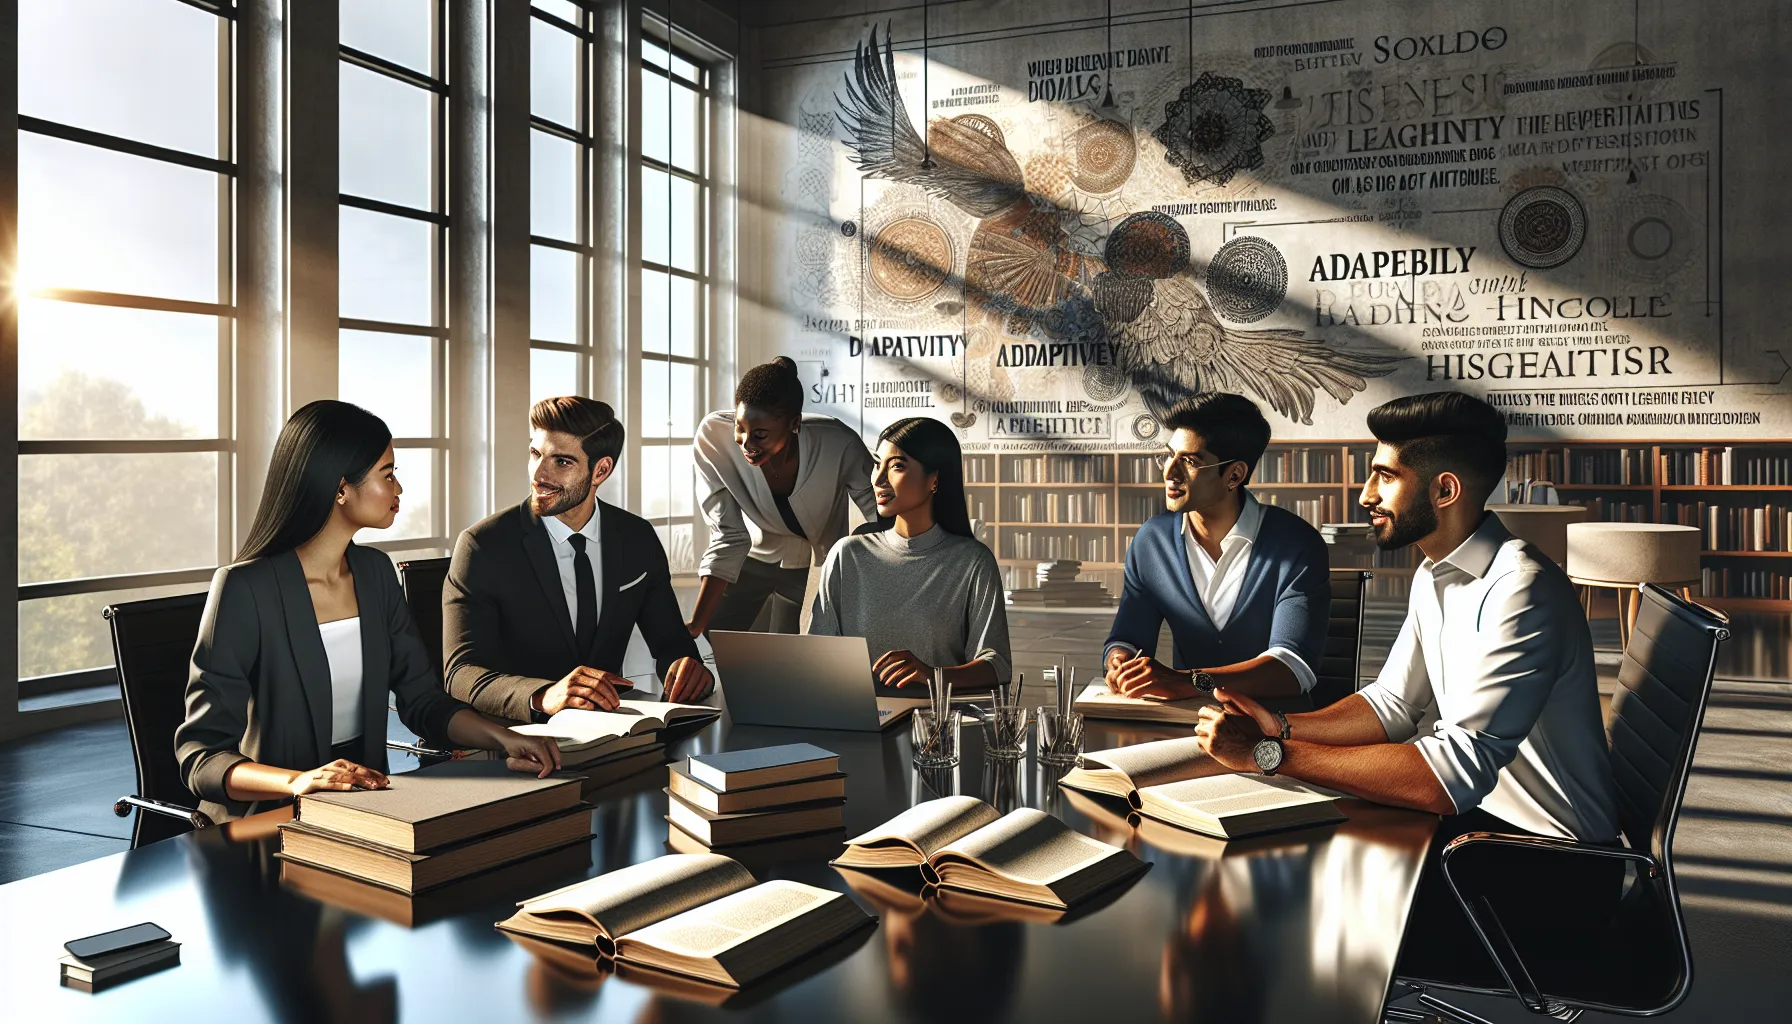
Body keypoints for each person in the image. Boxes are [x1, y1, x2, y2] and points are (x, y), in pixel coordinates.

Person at [1193, 391, 1621, 972]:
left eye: (1383, 478)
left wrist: (1269, 753)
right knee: (1285, 856)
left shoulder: (1521, 589)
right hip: (1483, 832)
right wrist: (1281, 724)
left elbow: (1452, 776)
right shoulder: (1435, 572)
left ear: (1444, 491)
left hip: (1554, 871)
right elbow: (1391, 705)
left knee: (1291, 903)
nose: (1365, 496)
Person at [175, 401, 561, 823]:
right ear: (341, 488)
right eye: (388, 473)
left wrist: (505, 739)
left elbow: (423, 702)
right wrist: (298, 781)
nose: (398, 489)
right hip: (265, 821)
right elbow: (202, 756)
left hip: (364, 811)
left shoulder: (375, 573)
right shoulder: (245, 588)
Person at [443, 397, 711, 721]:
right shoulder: (482, 547)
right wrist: (543, 695)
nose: (540, 474)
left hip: (612, 737)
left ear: (601, 470)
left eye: (562, 462)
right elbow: (460, 672)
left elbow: (672, 644)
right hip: (515, 741)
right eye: (535, 454)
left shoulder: (637, 538)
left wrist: (688, 670)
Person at [1103, 392, 1331, 704]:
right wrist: (1120, 660)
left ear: (1234, 475)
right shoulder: (1151, 542)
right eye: (1168, 456)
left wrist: (1188, 682)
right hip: (1184, 727)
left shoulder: (1295, 543)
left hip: (1273, 733)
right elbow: (1129, 637)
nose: (1169, 472)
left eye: (1189, 461)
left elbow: (1293, 667)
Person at [809, 417, 1010, 692]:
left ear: (935, 479)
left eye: (897, 467)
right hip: (857, 721)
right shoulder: (847, 555)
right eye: (877, 464)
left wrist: (933, 675)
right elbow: (815, 655)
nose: (878, 479)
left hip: (936, 725)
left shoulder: (973, 562)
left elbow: (997, 664)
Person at [687, 357, 877, 636]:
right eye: (740, 428)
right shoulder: (714, 437)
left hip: (814, 568)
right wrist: (696, 623)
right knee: (717, 636)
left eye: (761, 435)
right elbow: (727, 534)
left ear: (795, 424)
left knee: (800, 653)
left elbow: (882, 516)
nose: (747, 444)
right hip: (752, 558)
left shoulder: (839, 443)